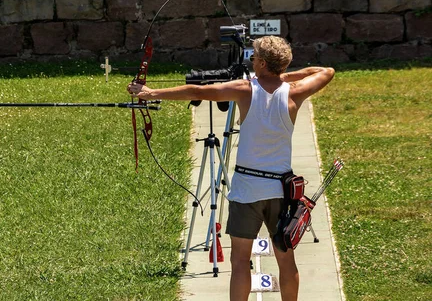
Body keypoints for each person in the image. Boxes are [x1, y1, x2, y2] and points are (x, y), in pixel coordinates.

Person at [127, 36, 335, 301]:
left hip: (247, 190)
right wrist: (280, 75)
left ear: (261, 62)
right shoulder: (295, 91)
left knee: (239, 262)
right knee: (286, 259)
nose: (251, 61)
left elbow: (198, 92)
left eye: (254, 57)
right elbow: (326, 71)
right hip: (281, 191)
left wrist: (149, 93)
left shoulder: (245, 89)